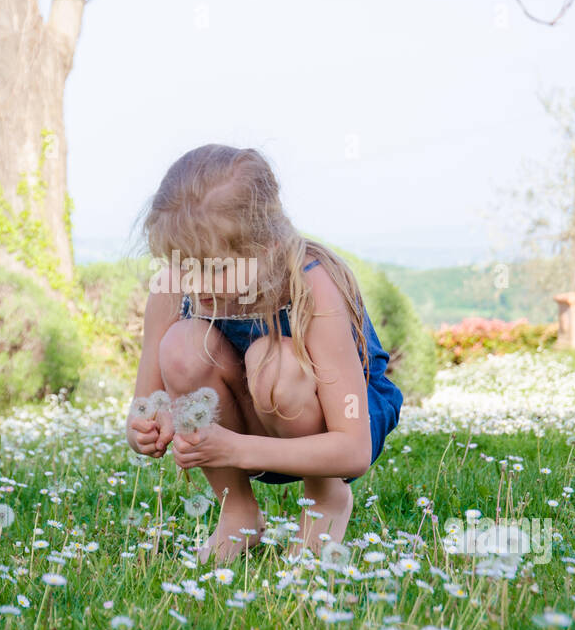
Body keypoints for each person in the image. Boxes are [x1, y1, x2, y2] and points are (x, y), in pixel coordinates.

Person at [125, 144, 404, 563]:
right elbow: (145, 404)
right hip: (243, 425)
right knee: (180, 346)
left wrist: (233, 448)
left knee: (274, 360)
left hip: (335, 429)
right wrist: (145, 427)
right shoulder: (174, 285)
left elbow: (354, 450)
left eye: (215, 270)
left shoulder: (312, 287)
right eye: (183, 264)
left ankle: (325, 498)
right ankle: (236, 509)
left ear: (270, 246)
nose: (195, 284)